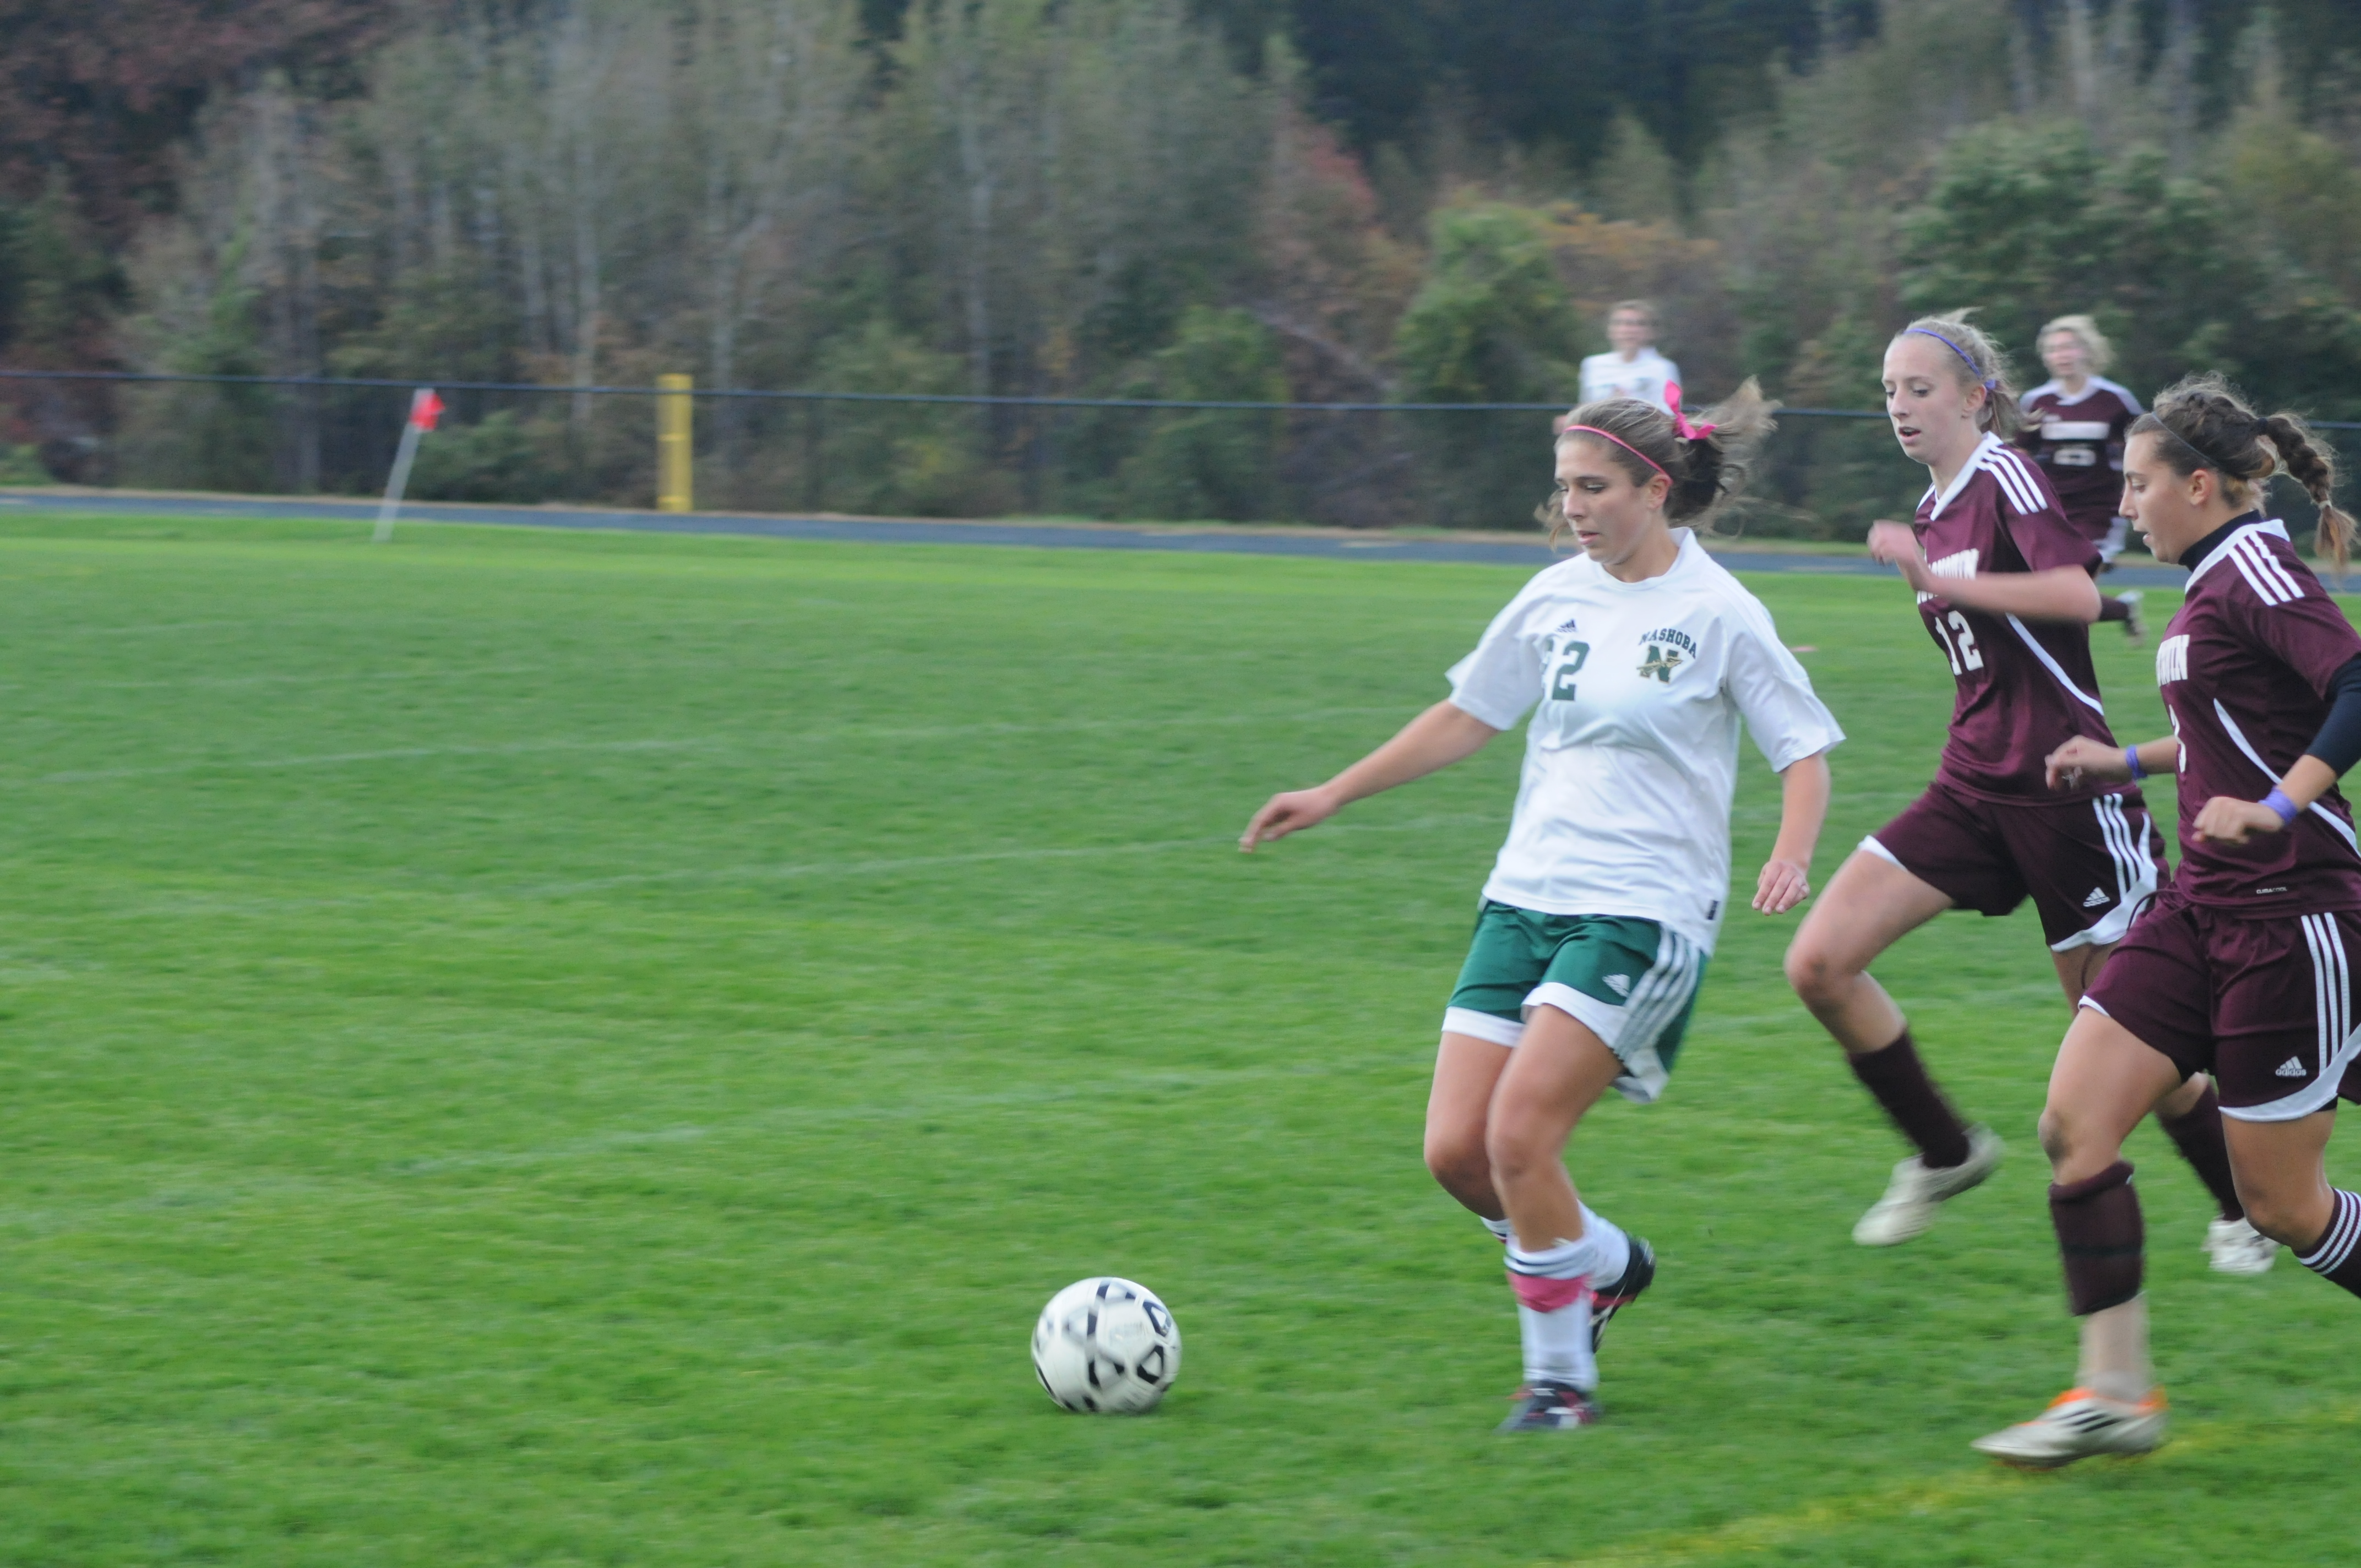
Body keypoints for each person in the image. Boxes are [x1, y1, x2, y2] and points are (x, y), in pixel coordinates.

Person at [1241, 383, 1841, 1431]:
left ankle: (1559, 1384)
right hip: (1522, 898)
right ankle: (1600, 1262)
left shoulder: (1718, 611)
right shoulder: (1555, 593)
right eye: (1565, 485)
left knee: (1519, 1135)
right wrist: (1333, 791)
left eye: (1593, 487)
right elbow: (1467, 714)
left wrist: (1790, 855)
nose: (1573, 506)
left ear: (1653, 489)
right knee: (1456, 1153)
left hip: (1640, 912)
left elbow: (1803, 753)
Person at [1782, 313, 2265, 1272]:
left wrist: (1936, 579)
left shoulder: (2003, 475)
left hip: (2066, 793)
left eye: (1920, 388)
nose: (1899, 406)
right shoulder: (1929, 511)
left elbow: (2074, 595)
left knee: (2133, 1044)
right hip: (1971, 786)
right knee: (1819, 963)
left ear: (1974, 397)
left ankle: (2243, 1206)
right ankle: (1945, 1151)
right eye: (1888, 391)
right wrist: (1931, 570)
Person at [1975, 375, 2361, 1467]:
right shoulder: (2212, 578)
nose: (2124, 505)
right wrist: (2125, 759)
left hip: (2290, 914)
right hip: (2198, 907)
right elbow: (2236, 722)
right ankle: (2113, 1391)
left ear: (2197, 485)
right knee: (2072, 1123)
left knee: (2280, 1206)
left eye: (2137, 483)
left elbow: (2353, 681)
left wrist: (2278, 806)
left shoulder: (2255, 564)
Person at [2018, 315, 2147, 639]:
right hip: (2051, 510)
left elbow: (2145, 447)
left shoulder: (2114, 400)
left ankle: (2064, 659)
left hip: (2099, 511)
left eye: (2068, 347)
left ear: (2086, 351)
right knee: (2062, 600)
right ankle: (2123, 609)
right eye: (2053, 349)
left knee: (2070, 597)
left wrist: (2139, 491)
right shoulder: (2037, 402)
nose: (2061, 355)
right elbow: (2019, 455)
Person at [1579, 301, 1680, 414]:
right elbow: (1584, 409)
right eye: (1620, 323)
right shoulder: (1593, 364)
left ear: (1651, 332)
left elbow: (1668, 414)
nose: (1629, 330)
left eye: (1639, 324)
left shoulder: (1662, 368)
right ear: (1610, 330)